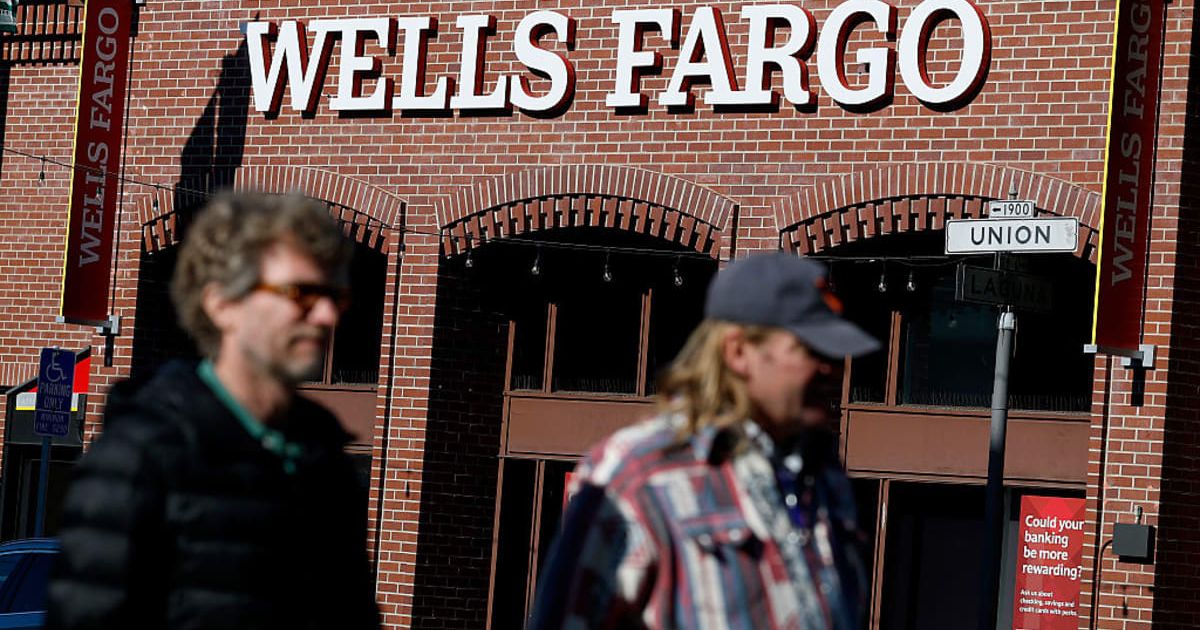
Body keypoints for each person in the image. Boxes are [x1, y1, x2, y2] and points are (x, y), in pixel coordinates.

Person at [47, 193, 380, 630]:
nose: (326, 314)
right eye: (301, 293)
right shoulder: (139, 456)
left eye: (336, 295)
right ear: (222, 304)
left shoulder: (325, 463)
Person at [531, 252, 880, 630]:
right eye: (812, 350)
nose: (831, 368)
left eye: (833, 353)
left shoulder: (825, 473)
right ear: (738, 352)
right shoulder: (637, 473)